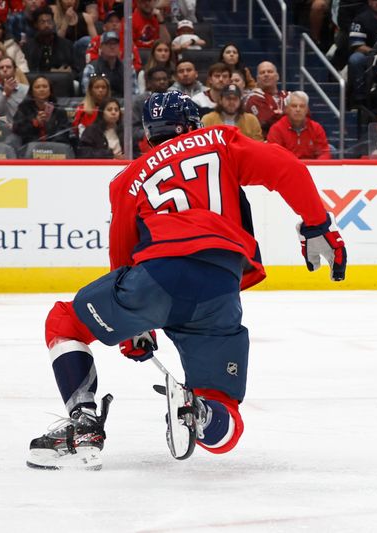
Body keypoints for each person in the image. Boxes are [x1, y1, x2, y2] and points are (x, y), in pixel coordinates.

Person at [26, 90, 348, 470]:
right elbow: (285, 167)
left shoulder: (128, 178)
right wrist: (317, 225)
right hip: (220, 285)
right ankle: (205, 415)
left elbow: (121, 256)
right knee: (225, 418)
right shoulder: (220, 140)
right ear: (194, 123)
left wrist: (134, 329)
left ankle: (83, 425)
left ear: (149, 136)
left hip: (157, 278)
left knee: (64, 321)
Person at [347, 0, 377, 107]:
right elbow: (357, 46)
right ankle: (359, 98)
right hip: (369, 57)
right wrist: (375, 52)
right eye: (374, 0)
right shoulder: (360, 19)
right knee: (356, 59)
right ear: (369, 2)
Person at [267, 91, 331, 159]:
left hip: (311, 168)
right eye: (294, 106)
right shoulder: (276, 129)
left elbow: (324, 153)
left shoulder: (316, 128)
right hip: (287, 167)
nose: (298, 109)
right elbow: (275, 156)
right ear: (286, 109)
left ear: (307, 110)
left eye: (302, 106)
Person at [12, 74, 73, 146]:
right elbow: (17, 129)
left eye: (45, 86)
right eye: (37, 87)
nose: (41, 89)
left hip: (54, 148)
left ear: (50, 90)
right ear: (32, 91)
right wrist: (35, 122)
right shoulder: (24, 108)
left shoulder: (59, 110)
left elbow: (64, 134)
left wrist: (50, 144)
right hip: (30, 148)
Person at [23, 6, 77, 75]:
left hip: (63, 82)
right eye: (42, 22)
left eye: (49, 21)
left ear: (53, 23)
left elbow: (76, 70)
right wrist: (51, 72)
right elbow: (28, 71)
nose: (46, 25)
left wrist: (68, 72)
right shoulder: (28, 47)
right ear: (36, 25)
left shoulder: (66, 45)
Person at [81, 31, 136, 97]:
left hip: (123, 105)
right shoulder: (91, 68)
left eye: (115, 44)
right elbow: (87, 94)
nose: (112, 47)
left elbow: (134, 93)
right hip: (98, 105)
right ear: (101, 47)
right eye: (108, 44)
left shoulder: (128, 69)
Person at [245, 61, 287, 136]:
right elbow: (265, 121)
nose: (266, 74)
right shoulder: (253, 98)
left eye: (270, 72)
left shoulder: (288, 95)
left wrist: (276, 114)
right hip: (265, 142)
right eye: (262, 72)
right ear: (257, 79)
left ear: (277, 76)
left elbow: (303, 117)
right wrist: (286, 114)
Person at [0, 56, 30, 125]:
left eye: (8, 67)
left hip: (22, 129)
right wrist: (5, 94)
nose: (5, 70)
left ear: (15, 70)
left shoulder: (26, 89)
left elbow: (30, 115)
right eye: (1, 68)